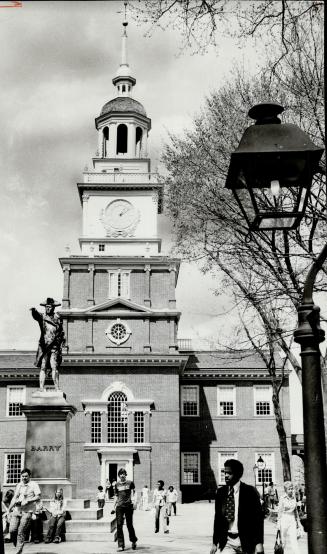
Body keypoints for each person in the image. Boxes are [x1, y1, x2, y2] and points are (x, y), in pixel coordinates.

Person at [210, 459, 264, 554]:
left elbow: (258, 520)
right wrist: (215, 542)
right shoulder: (221, 492)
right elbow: (218, 519)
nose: (226, 475)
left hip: (246, 541)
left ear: (238, 474)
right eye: (225, 472)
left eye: (229, 473)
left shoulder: (250, 492)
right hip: (227, 542)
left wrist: (259, 543)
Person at [30, 297, 65, 391]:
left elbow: (61, 333)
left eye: (49, 307)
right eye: (46, 307)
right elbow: (36, 316)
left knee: (54, 367)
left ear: (53, 308)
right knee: (43, 367)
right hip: (45, 346)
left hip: (54, 346)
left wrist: (61, 343)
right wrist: (33, 311)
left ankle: (57, 387)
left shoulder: (58, 319)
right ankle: (41, 388)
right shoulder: (42, 317)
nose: (48, 308)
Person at [8, 468, 41, 554]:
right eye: (22, 476)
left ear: (30, 476)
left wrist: (28, 500)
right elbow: (15, 497)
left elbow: (38, 496)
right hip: (17, 510)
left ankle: (19, 550)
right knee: (12, 530)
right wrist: (9, 509)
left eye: (26, 476)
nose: (24, 478)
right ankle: (17, 543)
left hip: (27, 511)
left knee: (21, 531)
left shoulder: (34, 484)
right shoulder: (19, 485)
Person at [113, 468, 138, 552]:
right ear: (119, 475)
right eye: (121, 474)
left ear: (125, 474)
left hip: (128, 506)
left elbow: (134, 492)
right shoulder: (116, 484)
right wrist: (114, 505)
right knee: (119, 525)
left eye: (123, 473)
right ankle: (121, 545)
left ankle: (133, 540)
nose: (122, 475)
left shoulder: (130, 483)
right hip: (119, 506)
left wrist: (135, 502)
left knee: (129, 525)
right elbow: (116, 495)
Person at [277, 481, 302, 554]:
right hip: (284, 519)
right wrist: (278, 522)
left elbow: (296, 511)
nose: (291, 490)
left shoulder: (294, 497)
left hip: (292, 519)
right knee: (283, 541)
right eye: (289, 489)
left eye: (292, 488)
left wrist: (298, 522)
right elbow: (280, 511)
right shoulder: (282, 498)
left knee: (294, 540)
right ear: (285, 490)